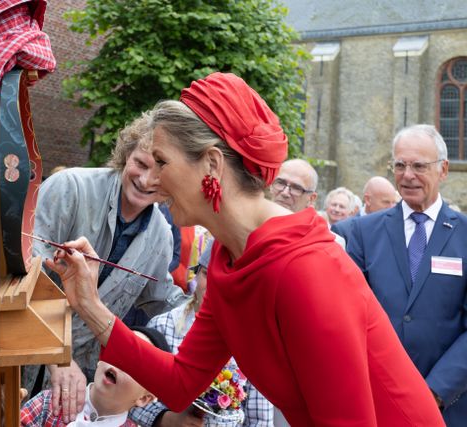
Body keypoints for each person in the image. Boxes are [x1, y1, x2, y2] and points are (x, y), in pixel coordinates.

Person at [45, 73, 445, 426]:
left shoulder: (308, 270)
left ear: (212, 165)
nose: (154, 182)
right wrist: (89, 304)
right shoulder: (230, 257)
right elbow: (182, 382)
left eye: (163, 162)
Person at [30, 112, 187, 422]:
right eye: (140, 164)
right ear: (126, 154)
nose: (145, 180)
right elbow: (24, 272)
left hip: (79, 385)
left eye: (159, 172)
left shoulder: (161, 234)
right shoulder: (70, 188)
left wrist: (204, 308)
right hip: (18, 355)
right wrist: (56, 355)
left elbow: (160, 299)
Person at [341, 124, 467, 426]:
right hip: (376, 402)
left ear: (444, 170)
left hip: (448, 407)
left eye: (419, 166)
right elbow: (350, 315)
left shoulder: (465, 235)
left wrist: (435, 391)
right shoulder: (361, 233)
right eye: (400, 165)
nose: (407, 175)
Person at [130, 241, 274, 427]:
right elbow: (129, 400)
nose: (214, 285)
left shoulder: (254, 343)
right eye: (206, 274)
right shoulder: (164, 326)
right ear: (195, 275)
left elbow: (260, 420)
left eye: (227, 278)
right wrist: (166, 420)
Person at [21, 327, 169, 427]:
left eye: (135, 365)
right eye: (119, 350)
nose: (121, 363)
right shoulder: (50, 402)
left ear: (144, 398)